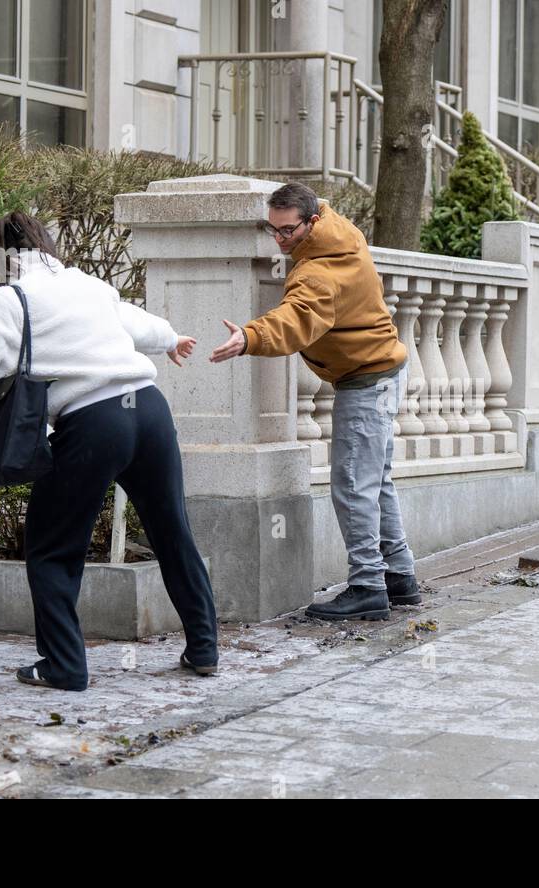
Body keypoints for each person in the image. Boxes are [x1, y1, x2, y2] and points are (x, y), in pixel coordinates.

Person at [0, 211, 220, 690]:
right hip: (150, 411)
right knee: (172, 530)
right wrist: (171, 338)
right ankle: (203, 648)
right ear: (46, 245)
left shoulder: (11, 299)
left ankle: (65, 666)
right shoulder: (89, 285)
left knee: (52, 548)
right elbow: (135, 322)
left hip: (95, 422)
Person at [209, 182, 420, 621]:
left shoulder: (317, 272)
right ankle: (399, 577)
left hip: (365, 380)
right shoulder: (341, 233)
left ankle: (367, 585)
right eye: (272, 229)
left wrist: (248, 336)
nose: (280, 240)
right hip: (383, 370)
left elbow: (295, 319)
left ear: (312, 221)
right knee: (376, 481)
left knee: (351, 486)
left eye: (288, 231)